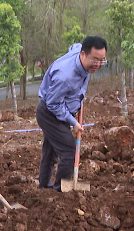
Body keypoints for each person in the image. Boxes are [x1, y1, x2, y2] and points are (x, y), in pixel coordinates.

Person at [36, 36, 108, 190]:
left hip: (61, 108)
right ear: (83, 55)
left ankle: (43, 188)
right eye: (95, 60)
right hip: (49, 112)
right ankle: (60, 190)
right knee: (69, 150)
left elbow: (74, 46)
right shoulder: (65, 77)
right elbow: (53, 103)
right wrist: (73, 122)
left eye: (102, 61)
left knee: (50, 151)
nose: (98, 65)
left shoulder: (79, 52)